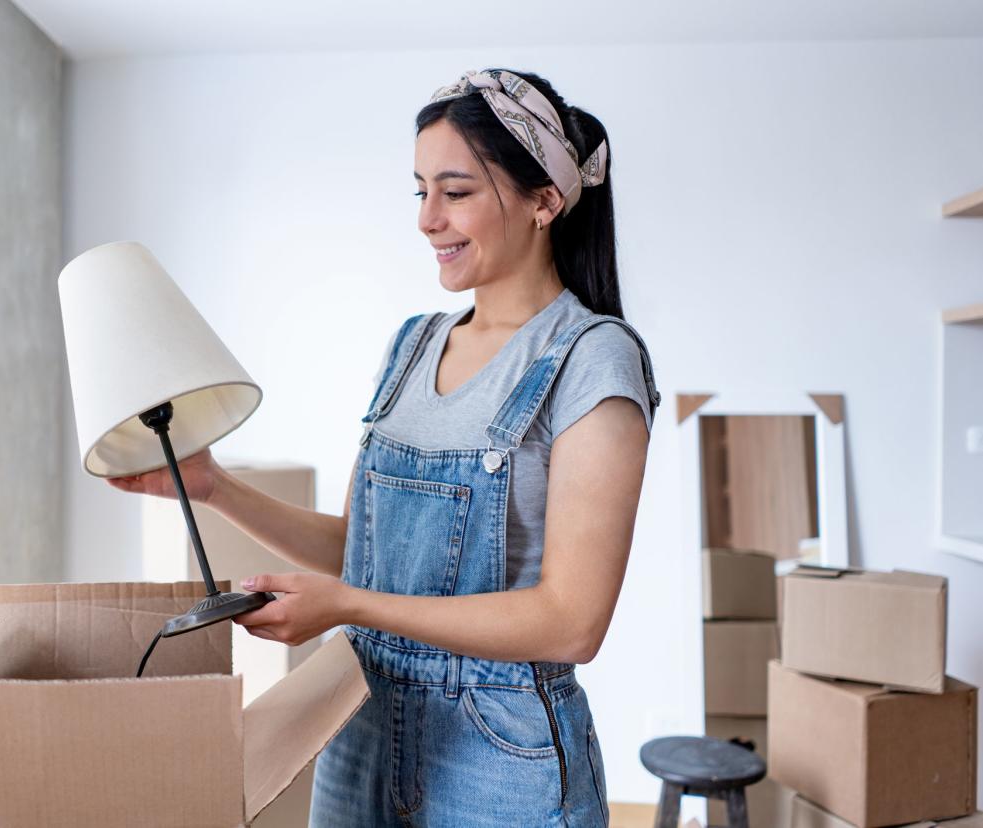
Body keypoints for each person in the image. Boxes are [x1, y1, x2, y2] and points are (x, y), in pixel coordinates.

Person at [108, 67, 660, 827]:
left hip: (498, 757)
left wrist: (350, 606)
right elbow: (362, 552)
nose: (427, 219)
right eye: (419, 190)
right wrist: (211, 486)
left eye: (456, 191)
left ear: (544, 200)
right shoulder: (411, 345)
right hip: (360, 722)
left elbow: (572, 622)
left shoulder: (592, 358)